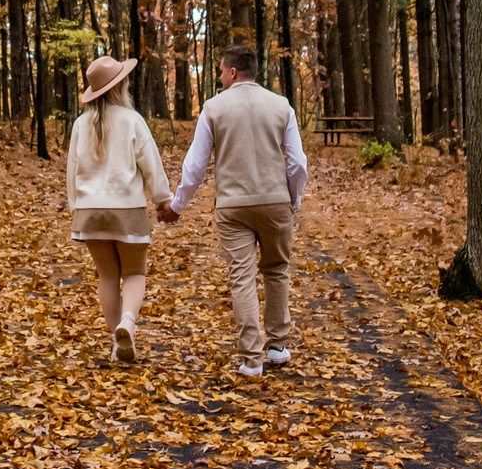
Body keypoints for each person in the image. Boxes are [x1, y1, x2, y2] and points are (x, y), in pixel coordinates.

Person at [168, 44, 308, 377]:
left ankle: (251, 359)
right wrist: (294, 198)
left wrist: (177, 205)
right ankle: (278, 346)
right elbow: (297, 162)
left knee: (242, 277)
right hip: (275, 201)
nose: (219, 76)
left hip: (232, 207)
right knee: (276, 270)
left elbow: (196, 165)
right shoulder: (281, 106)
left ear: (233, 72)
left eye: (220, 70)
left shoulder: (214, 108)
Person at [63, 54, 174, 365]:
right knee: (135, 272)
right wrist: (163, 199)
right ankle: (128, 322)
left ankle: (116, 341)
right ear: (119, 87)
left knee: (107, 276)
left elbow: (72, 170)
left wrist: (76, 206)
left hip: (90, 210)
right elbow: (150, 163)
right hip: (126, 208)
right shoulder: (131, 120)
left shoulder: (80, 124)